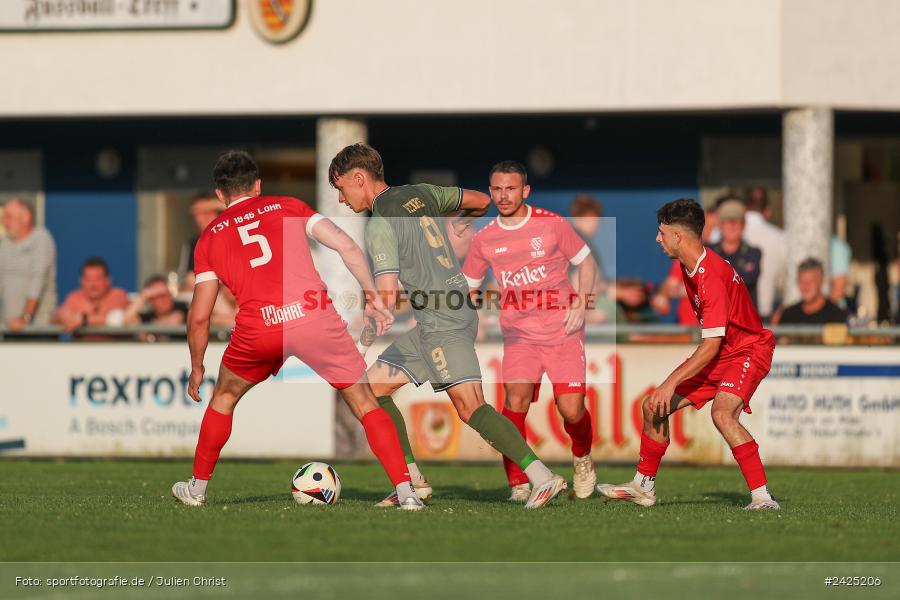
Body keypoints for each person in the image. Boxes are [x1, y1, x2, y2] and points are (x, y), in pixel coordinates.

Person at [171, 150, 424, 511]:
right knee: (365, 402)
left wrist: (197, 366)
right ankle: (406, 493)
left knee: (224, 398)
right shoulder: (286, 205)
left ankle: (196, 489)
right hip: (313, 317)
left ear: (219, 194)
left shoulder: (210, 237)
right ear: (257, 185)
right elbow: (346, 245)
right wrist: (373, 296)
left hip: (261, 326)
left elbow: (199, 316)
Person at [329, 143, 567, 510]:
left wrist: (371, 320)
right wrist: (457, 224)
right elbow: (479, 201)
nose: (342, 200)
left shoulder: (379, 225)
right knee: (371, 389)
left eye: (341, 188)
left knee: (471, 408)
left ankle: (542, 477)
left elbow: (388, 296)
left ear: (359, 178)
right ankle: (410, 480)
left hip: (442, 319)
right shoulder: (420, 193)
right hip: (442, 313)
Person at [597, 199, 780, 510]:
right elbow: (712, 345)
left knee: (722, 414)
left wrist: (669, 383)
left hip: (748, 349)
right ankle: (643, 486)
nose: (658, 239)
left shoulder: (711, 275)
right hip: (721, 352)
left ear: (678, 237)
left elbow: (709, 345)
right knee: (653, 407)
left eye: (662, 232)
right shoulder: (688, 265)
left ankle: (763, 497)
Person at [462, 161, 600, 501]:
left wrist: (581, 303)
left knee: (571, 410)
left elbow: (587, 262)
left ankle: (582, 456)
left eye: (510, 189)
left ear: (525, 191)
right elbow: (469, 290)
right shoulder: (484, 239)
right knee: (515, 402)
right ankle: (519, 482)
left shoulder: (551, 225)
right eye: (496, 189)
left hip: (562, 332)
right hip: (519, 336)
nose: (503, 195)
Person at [0, 198, 57, 330]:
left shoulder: (41, 238)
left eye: (8, 217)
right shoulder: (5, 244)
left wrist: (25, 318)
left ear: (26, 217)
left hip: (38, 329)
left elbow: (38, 280)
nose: (4, 222)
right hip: (9, 327)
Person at [742, 187, 786, 320]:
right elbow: (787, 280)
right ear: (767, 211)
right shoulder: (780, 237)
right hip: (766, 315)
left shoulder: (727, 235)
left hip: (733, 314)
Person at [709, 199, 762, 309]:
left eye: (736, 221)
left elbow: (748, 279)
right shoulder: (708, 251)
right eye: (727, 221)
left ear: (743, 225)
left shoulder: (753, 253)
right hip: (716, 320)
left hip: (745, 320)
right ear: (720, 224)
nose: (732, 226)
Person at [53, 257, 129, 333]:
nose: (93, 285)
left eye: (97, 279)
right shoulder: (74, 298)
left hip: (114, 344)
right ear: (81, 281)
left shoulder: (117, 296)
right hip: (82, 344)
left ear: (108, 280)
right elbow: (59, 317)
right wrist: (61, 316)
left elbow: (117, 319)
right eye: (88, 279)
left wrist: (83, 319)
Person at [772, 258, 848, 325]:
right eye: (801, 281)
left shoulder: (837, 316)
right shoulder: (788, 315)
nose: (805, 286)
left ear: (821, 280)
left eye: (811, 281)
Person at [124, 275, 189, 326]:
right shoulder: (148, 316)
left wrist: (148, 327)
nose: (164, 299)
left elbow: (174, 321)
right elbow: (127, 320)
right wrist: (143, 296)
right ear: (151, 300)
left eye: (165, 294)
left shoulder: (182, 307)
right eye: (158, 296)